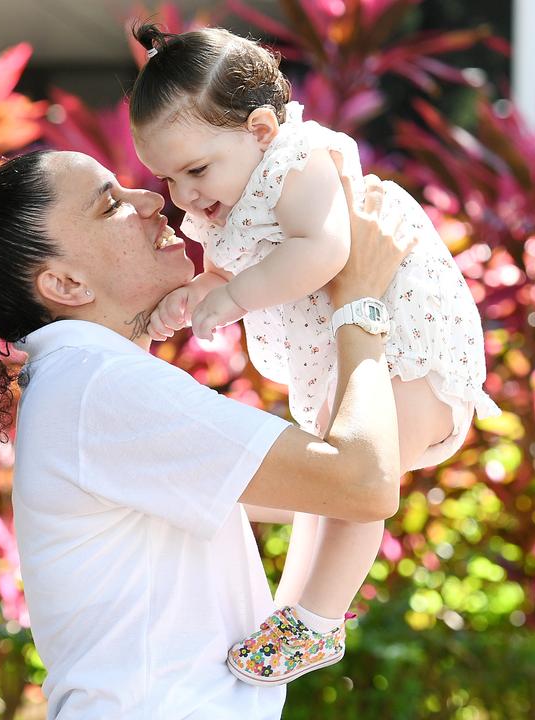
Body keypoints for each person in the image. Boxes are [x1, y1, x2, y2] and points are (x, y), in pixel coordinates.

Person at [0, 148, 416, 718]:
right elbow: (364, 483)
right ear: (66, 283)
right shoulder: (97, 385)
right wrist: (359, 300)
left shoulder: (84, 385)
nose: (151, 199)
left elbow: (326, 491)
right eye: (111, 204)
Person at [128, 24, 501, 684]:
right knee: (327, 479)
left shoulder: (298, 165)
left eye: (195, 170)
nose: (183, 196)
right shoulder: (228, 196)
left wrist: (236, 296)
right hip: (354, 350)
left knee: (354, 484)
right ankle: (292, 611)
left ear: (262, 128)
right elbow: (225, 270)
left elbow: (323, 252)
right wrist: (191, 297)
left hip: (412, 343)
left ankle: (321, 619)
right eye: (167, 177)